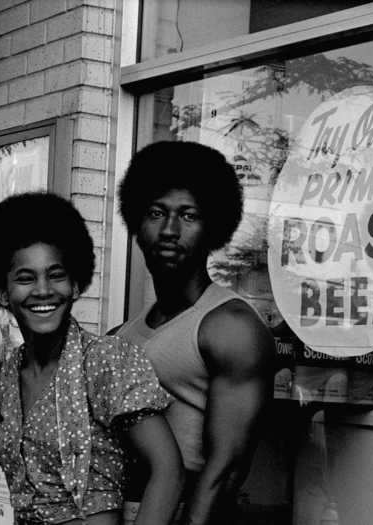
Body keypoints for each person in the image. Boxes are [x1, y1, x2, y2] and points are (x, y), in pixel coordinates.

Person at [0, 192, 184, 525]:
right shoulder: (1, 378)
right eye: (25, 278)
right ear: (3, 293)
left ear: (75, 285)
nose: (43, 290)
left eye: (56, 275)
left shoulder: (105, 361)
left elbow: (168, 470)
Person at [113, 141, 276, 525]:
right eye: (156, 213)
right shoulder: (122, 334)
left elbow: (227, 469)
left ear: (212, 228)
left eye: (188, 215)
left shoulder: (231, 327)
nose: (170, 230)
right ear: (137, 223)